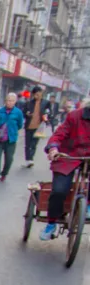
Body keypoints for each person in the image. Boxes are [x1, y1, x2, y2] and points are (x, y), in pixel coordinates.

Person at [40, 97, 90, 240]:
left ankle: (88, 207)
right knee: (59, 190)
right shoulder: (75, 116)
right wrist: (53, 148)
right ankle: (51, 223)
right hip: (69, 155)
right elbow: (59, 135)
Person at [0, 93, 24, 183]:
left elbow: (20, 125)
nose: (9, 102)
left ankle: (4, 173)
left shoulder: (18, 112)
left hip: (10, 140)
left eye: (12, 101)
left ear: (15, 102)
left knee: (9, 159)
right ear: (5, 101)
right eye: (8, 100)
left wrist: (12, 131)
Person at [19, 86, 56, 167]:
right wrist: (27, 114)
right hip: (29, 126)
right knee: (27, 144)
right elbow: (24, 113)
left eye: (40, 94)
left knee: (34, 144)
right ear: (33, 94)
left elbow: (49, 113)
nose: (38, 96)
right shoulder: (28, 103)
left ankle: (31, 159)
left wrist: (46, 116)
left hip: (39, 127)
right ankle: (28, 159)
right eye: (36, 94)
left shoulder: (46, 103)